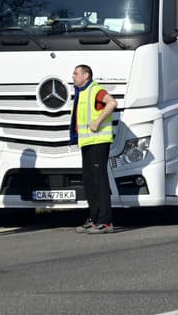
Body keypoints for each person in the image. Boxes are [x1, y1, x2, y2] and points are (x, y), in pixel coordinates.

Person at [70, 64, 118, 234]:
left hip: (99, 141)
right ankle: (95, 218)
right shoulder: (81, 93)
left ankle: (106, 221)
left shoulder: (95, 90)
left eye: (76, 73)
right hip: (88, 142)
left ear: (86, 75)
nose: (73, 76)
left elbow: (112, 103)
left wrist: (98, 121)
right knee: (90, 181)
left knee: (100, 180)